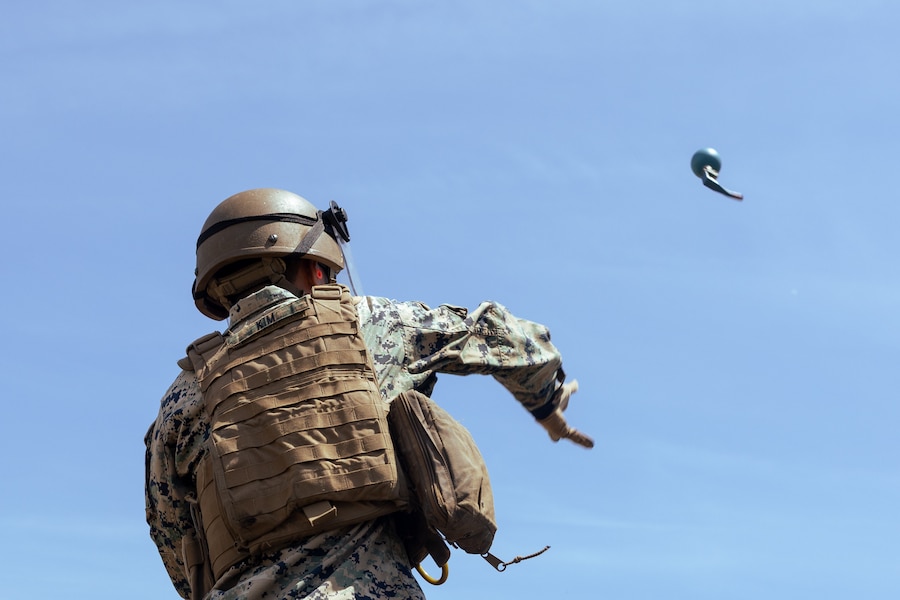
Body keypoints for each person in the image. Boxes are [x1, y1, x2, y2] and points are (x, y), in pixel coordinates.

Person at [145, 188, 593, 600]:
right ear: (313, 266)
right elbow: (506, 339)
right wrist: (547, 407)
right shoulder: (367, 324)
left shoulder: (182, 398)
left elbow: (175, 541)